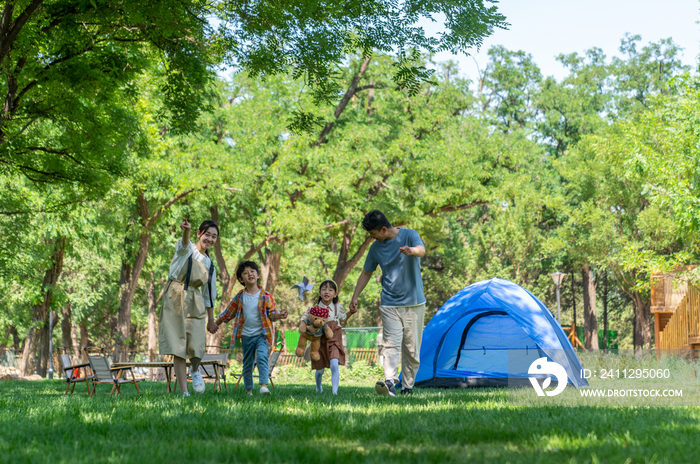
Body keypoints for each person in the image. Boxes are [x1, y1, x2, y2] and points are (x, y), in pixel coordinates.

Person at [349, 210, 426, 397]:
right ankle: (390, 382)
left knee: (412, 350)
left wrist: (412, 250)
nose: (371, 237)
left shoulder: (409, 235)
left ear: (383, 229)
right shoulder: (375, 248)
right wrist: (355, 296)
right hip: (389, 303)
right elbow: (366, 272)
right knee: (391, 344)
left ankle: (407, 387)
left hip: (414, 304)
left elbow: (421, 250)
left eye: (373, 233)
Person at [159, 219, 220, 397]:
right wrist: (186, 231)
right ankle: (185, 392)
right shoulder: (187, 249)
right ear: (199, 234)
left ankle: (195, 369)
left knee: (196, 343)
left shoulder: (210, 264)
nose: (210, 239)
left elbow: (209, 293)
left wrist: (211, 319)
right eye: (207, 234)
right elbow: (184, 243)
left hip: (195, 298)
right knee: (178, 344)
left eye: (214, 236)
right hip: (175, 295)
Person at [215, 260, 288, 395]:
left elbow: (272, 314)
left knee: (261, 357)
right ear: (241, 279)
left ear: (258, 274)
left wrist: (280, 315)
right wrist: (216, 324)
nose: (250, 274)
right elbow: (228, 313)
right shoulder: (240, 296)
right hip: (246, 336)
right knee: (247, 363)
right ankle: (249, 390)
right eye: (245, 273)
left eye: (252, 271)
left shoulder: (266, 296)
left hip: (262, 335)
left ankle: (264, 386)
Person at [303, 280, 357, 395]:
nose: (327, 292)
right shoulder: (314, 309)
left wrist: (351, 313)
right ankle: (318, 387)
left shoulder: (338, 308)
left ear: (335, 294)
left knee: (334, 364)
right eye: (324, 289)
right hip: (320, 341)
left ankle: (334, 393)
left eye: (330, 290)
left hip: (334, 341)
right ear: (320, 292)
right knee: (319, 370)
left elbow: (343, 318)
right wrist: (307, 327)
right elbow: (305, 321)